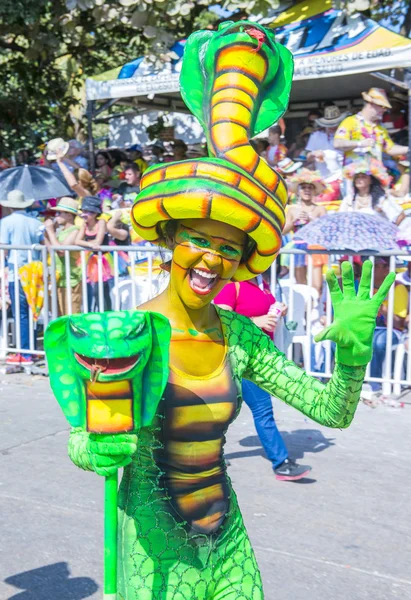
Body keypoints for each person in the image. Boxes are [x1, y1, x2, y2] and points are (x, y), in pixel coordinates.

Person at [63, 22, 394, 600]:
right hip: (154, 550)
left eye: (228, 247)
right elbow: (81, 440)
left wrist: (351, 355)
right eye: (199, 239)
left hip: (227, 538)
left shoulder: (237, 335)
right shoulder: (131, 333)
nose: (211, 259)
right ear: (170, 239)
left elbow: (333, 412)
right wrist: (97, 447)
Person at [215, 276, 311, 480]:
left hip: (259, 358)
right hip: (241, 359)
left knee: (222, 411)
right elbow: (220, 320)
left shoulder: (263, 284)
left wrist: (278, 311)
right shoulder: (233, 284)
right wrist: (254, 321)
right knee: (261, 410)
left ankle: (206, 456)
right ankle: (281, 463)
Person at [0, 190, 43, 365]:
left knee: (21, 313)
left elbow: (4, 248)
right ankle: (29, 349)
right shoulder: (35, 222)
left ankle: (24, 352)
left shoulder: (6, 222)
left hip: (17, 271)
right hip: (34, 271)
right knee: (33, 311)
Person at [334, 88, 408, 165]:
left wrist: (408, 149)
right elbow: (338, 143)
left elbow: (390, 148)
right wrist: (360, 143)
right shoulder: (350, 121)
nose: (384, 110)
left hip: (375, 173)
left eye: (385, 107)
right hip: (354, 173)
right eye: (381, 106)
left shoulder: (380, 128)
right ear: (370, 105)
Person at [283, 169, 327, 294]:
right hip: (298, 247)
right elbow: (283, 231)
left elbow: (325, 231)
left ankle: (314, 310)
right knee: (301, 285)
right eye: (303, 187)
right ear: (298, 191)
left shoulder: (320, 209)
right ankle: (305, 311)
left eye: (310, 187)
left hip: (315, 247)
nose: (307, 190)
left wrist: (311, 220)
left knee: (316, 285)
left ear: (314, 191)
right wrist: (293, 221)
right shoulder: (292, 210)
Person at [370, 257, 408, 397]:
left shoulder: (398, 287)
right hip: (368, 328)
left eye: (375, 265)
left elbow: (399, 322)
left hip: (392, 330)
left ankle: (375, 384)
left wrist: (383, 309)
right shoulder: (365, 287)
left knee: (378, 341)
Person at [44, 197, 82, 315]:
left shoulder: (75, 230)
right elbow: (52, 249)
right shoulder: (60, 232)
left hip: (71, 281)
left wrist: (50, 232)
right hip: (59, 280)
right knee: (60, 317)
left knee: (71, 317)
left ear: (69, 215)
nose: (56, 216)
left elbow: (61, 250)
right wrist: (45, 234)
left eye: (59, 213)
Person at [340, 158, 405, 226]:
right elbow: (341, 219)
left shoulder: (381, 199)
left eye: (363, 177)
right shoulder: (348, 200)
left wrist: (391, 231)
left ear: (371, 180)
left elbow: (400, 215)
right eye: (357, 177)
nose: (359, 180)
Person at [75, 196, 112, 312]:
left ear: (95, 213)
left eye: (87, 212)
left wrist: (88, 243)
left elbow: (99, 241)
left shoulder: (101, 222)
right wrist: (91, 245)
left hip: (103, 260)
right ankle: (99, 313)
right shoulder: (84, 225)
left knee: (101, 289)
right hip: (92, 260)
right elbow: (77, 241)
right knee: (94, 289)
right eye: (83, 211)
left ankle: (106, 312)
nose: (84, 214)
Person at [306, 105, 347, 200]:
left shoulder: (344, 135)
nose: (332, 126)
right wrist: (313, 153)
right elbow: (307, 156)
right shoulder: (316, 135)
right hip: (321, 181)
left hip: (340, 180)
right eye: (329, 124)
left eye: (334, 124)